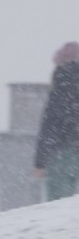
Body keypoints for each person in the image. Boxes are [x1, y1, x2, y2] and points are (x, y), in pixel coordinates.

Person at [34, 41, 79, 201]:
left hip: (61, 151)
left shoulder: (63, 80)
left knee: (58, 203)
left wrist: (40, 161)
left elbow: (51, 122)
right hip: (73, 149)